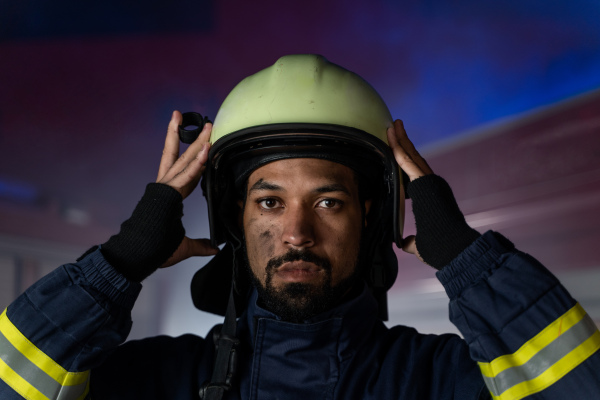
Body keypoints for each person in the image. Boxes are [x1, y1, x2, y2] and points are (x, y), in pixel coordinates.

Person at [1, 55, 599, 400]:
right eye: (267, 202)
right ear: (234, 216)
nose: (296, 232)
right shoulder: (154, 383)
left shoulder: (439, 381)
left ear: (373, 217)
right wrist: (118, 264)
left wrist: (472, 264)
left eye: (329, 202)